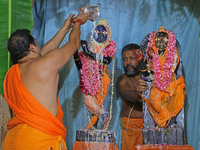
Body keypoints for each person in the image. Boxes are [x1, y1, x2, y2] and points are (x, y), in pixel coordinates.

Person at [3, 11, 91, 150]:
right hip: (39, 142)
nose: (39, 47)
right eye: (36, 44)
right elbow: (74, 44)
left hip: (14, 142)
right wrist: (78, 23)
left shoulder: (11, 74)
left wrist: (64, 29)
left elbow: (42, 53)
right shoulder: (44, 64)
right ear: (32, 47)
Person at [73, 19, 117, 130]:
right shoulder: (89, 46)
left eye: (104, 33)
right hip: (90, 78)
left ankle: (103, 115)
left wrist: (88, 52)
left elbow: (106, 61)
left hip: (102, 77)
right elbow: (81, 67)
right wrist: (75, 54)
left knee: (90, 101)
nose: (101, 35)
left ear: (109, 35)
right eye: (98, 32)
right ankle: (96, 126)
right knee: (93, 104)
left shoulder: (108, 47)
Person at [116, 44, 148, 150]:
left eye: (132, 58)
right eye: (125, 59)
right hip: (130, 131)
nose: (128, 63)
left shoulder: (149, 78)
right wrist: (139, 92)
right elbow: (133, 97)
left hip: (149, 128)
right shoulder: (122, 80)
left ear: (140, 59)